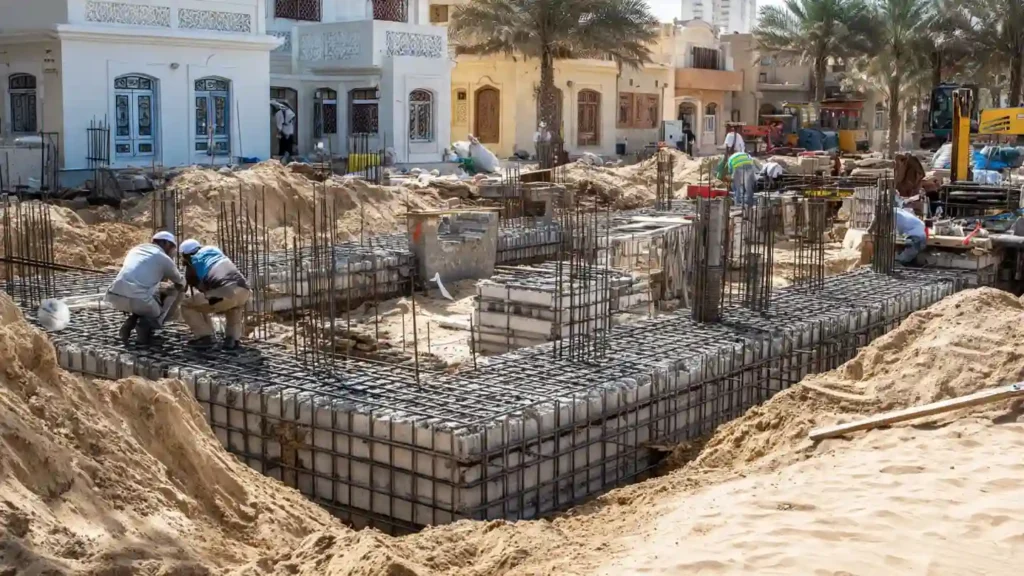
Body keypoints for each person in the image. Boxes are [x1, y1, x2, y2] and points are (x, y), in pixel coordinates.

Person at [105, 231, 186, 345]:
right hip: (137, 300)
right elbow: (181, 282)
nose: (172, 250)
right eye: (172, 247)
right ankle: (145, 330)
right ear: (165, 243)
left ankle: (130, 323)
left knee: (147, 295)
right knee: (175, 293)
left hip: (114, 295)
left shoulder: (136, 250)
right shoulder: (163, 258)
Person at [178, 239, 251, 349]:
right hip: (245, 290)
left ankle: (205, 337)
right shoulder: (213, 250)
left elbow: (202, 291)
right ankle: (232, 339)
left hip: (225, 292)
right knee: (233, 307)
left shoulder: (192, 262)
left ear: (185, 255)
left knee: (186, 305)